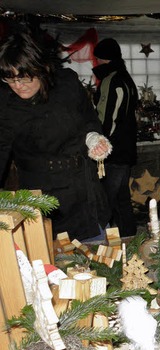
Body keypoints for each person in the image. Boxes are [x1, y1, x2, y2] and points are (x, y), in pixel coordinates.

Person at [0, 27, 112, 241]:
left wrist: (92, 137)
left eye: (24, 78)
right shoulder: (5, 102)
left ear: (41, 68)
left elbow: (88, 118)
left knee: (99, 259)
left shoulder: (66, 82)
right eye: (10, 79)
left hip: (83, 189)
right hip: (41, 194)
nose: (18, 86)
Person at [93, 38, 139, 237]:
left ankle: (100, 240)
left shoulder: (111, 80)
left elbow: (107, 118)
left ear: (104, 59)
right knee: (122, 199)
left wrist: (100, 144)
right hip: (126, 147)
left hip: (113, 150)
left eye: (98, 58)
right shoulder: (126, 78)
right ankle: (128, 236)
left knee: (106, 200)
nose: (96, 62)